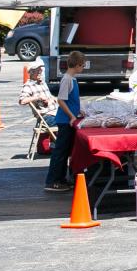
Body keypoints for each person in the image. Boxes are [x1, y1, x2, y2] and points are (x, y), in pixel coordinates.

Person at [44, 51, 86, 192]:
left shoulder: (71, 79)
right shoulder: (67, 79)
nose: (83, 69)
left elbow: (71, 101)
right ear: (78, 65)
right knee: (60, 151)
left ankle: (61, 179)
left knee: (66, 150)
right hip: (65, 121)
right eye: (83, 66)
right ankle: (53, 181)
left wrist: (78, 112)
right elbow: (60, 100)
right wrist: (71, 116)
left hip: (69, 119)